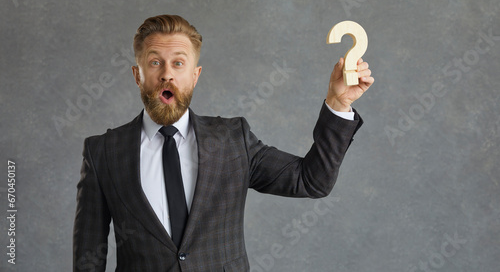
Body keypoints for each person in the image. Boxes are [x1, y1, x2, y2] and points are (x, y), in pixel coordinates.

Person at [73, 14, 373, 272]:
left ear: (195, 75)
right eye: (155, 62)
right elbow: (88, 258)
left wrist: (338, 102)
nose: (167, 74)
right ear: (138, 75)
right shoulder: (102, 152)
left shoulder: (233, 140)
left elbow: (312, 181)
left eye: (178, 63)